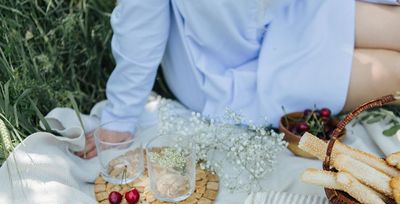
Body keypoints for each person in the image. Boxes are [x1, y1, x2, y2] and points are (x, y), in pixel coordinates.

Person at [76, 0, 400, 159]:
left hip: (296, 12)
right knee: (394, 70)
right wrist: (120, 115)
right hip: (231, 73)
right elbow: (140, 21)